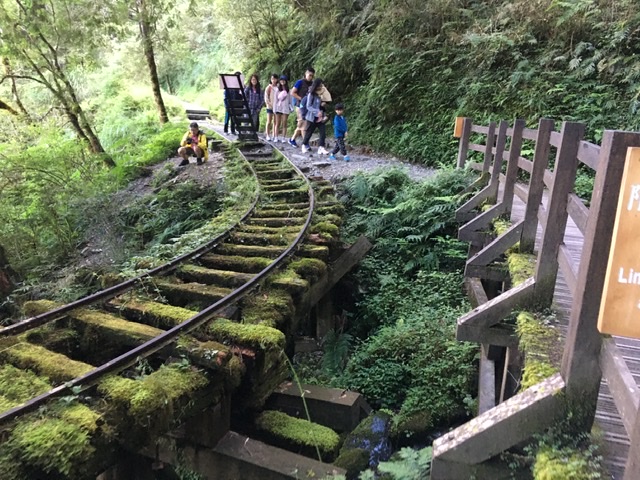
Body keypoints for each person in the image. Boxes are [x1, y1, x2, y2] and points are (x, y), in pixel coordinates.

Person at [300, 78, 330, 155]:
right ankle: (304, 145)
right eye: (320, 85)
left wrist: (323, 107)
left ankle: (321, 147)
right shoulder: (311, 94)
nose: (321, 86)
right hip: (312, 117)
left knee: (323, 132)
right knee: (309, 132)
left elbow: (321, 105)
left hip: (320, 117)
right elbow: (308, 106)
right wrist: (317, 111)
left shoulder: (321, 94)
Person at [288, 67, 315, 147]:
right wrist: (302, 99)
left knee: (301, 124)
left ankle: (292, 139)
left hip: (308, 107)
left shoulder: (312, 84)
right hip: (300, 105)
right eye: (309, 75)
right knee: (303, 124)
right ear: (306, 74)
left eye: (312, 76)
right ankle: (305, 144)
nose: (310, 77)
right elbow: (293, 92)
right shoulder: (300, 82)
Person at [273, 75, 292, 142]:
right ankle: (276, 137)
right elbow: (275, 100)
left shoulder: (288, 90)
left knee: (284, 123)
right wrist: (274, 109)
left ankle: (283, 138)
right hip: (278, 108)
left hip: (285, 108)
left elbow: (290, 100)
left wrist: (290, 108)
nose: (282, 81)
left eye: (284, 80)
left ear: (286, 81)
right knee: (277, 123)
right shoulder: (277, 90)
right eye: (281, 80)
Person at [264, 73, 279, 141]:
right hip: (270, 107)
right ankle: (267, 134)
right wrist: (270, 104)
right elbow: (266, 98)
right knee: (269, 121)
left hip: (277, 107)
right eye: (272, 79)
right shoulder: (268, 87)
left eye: (275, 79)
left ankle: (274, 134)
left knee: (275, 122)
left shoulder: (278, 87)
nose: (273, 80)